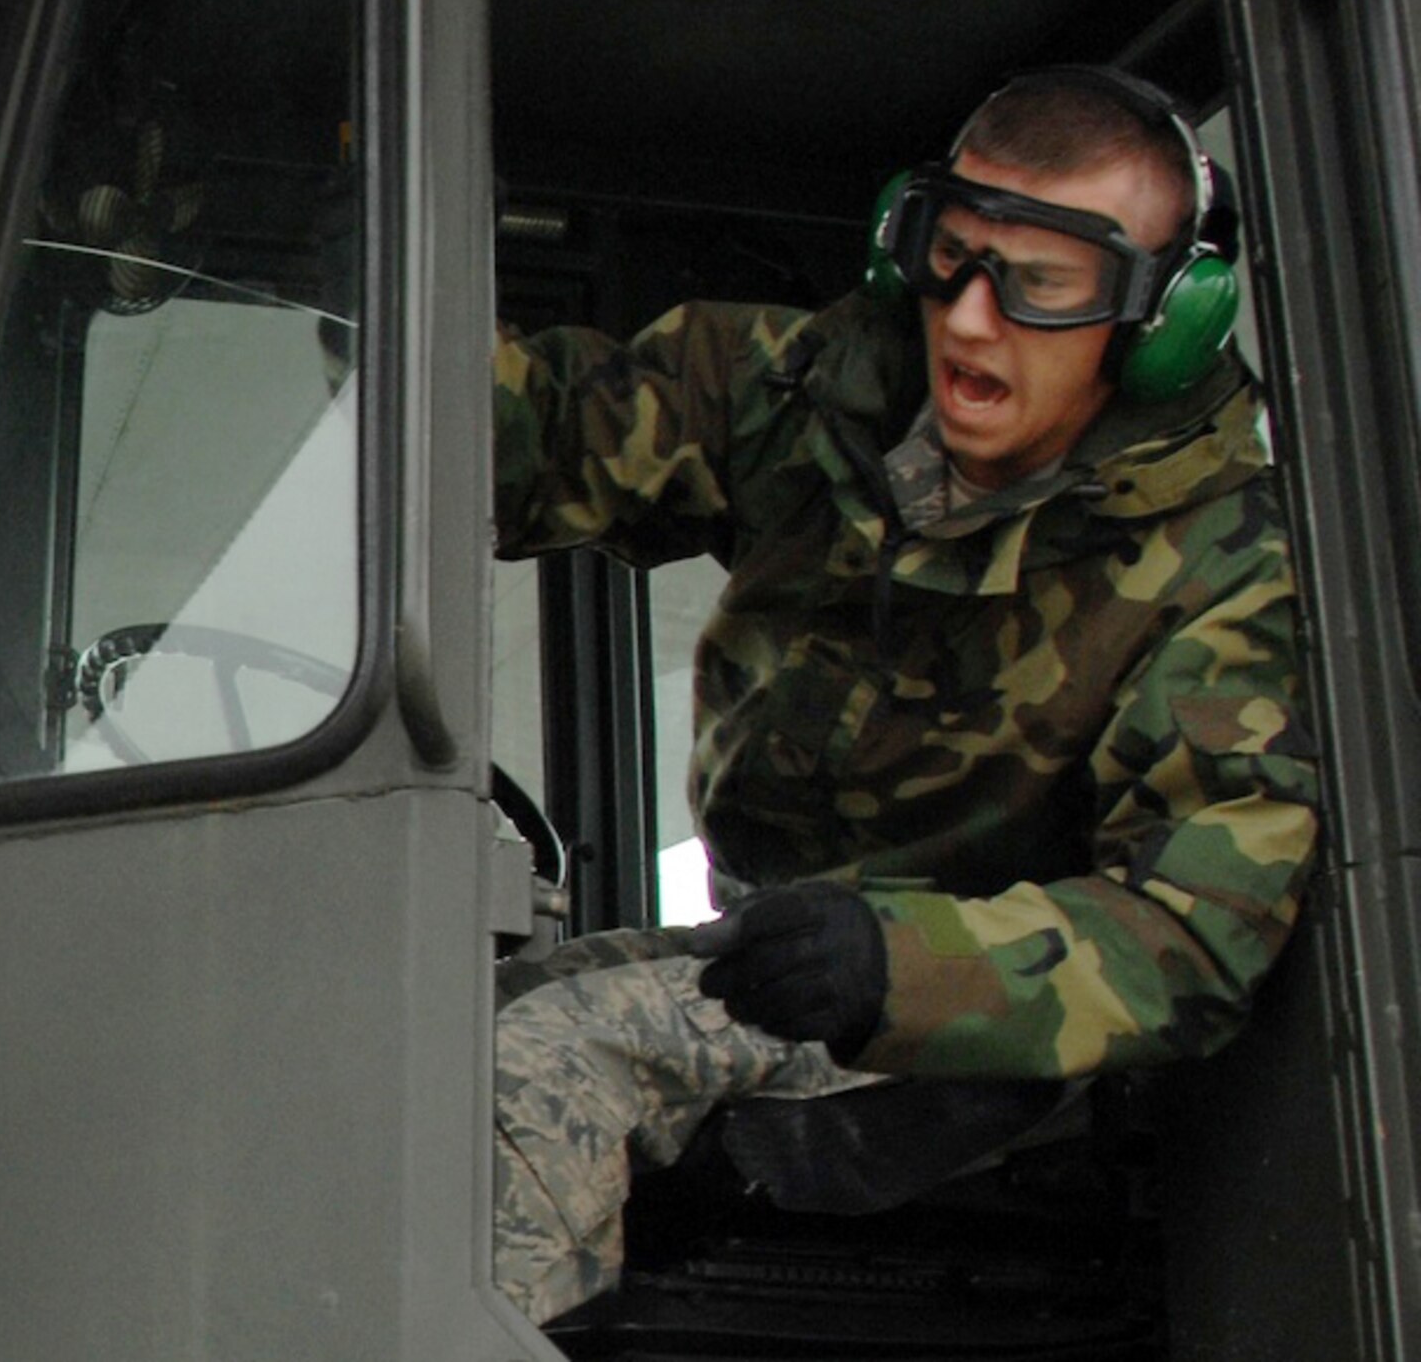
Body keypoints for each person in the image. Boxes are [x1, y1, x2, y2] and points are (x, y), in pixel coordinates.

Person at [488, 66, 1321, 1322]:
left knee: (537, 1070)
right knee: (425, 1024)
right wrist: (365, 306)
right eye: (952, 257)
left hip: (982, 1026)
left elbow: (1193, 933)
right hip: (778, 949)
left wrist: (900, 968)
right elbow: (537, 431)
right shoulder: (815, 396)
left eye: (1040, 285)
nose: (970, 323)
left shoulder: (1224, 568)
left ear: (1165, 321)